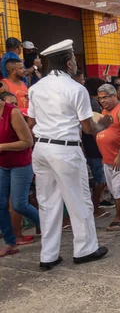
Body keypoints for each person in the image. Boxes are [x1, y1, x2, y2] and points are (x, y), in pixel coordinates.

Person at [28, 39, 111, 270]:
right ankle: (85, 249)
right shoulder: (76, 89)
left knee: (47, 203)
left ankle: (49, 255)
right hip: (65, 149)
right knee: (79, 200)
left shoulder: (36, 88)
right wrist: (103, 124)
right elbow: (87, 127)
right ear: (67, 62)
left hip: (41, 148)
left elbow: (31, 121)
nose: (76, 62)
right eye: (74, 58)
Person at [0, 90, 38, 257]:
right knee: (0, 205)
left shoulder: (12, 112)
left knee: (19, 204)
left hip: (21, 164)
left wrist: (1, 147)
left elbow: (28, 142)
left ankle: (47, 228)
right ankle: (10, 242)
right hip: (2, 164)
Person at [96, 84, 120, 231]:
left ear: (114, 96)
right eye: (100, 98)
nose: (102, 101)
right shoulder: (105, 111)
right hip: (107, 158)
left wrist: (119, 155)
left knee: (119, 190)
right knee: (116, 190)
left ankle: (118, 218)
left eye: (105, 97)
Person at [83, 78, 111, 219]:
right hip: (94, 147)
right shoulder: (93, 104)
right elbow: (95, 127)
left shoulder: (89, 102)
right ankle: (96, 208)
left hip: (88, 146)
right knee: (99, 180)